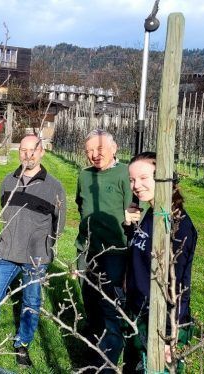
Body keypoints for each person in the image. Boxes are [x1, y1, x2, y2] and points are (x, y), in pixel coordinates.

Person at [0, 135, 67, 367]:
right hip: (6, 251)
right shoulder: (8, 181)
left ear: (42, 152)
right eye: (23, 150)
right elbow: (4, 211)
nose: (28, 155)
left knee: (31, 302)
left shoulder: (54, 187)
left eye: (33, 150)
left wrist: (44, 245)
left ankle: (22, 344)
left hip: (36, 256)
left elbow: (59, 224)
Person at [123, 152, 197, 373]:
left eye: (143, 178)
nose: (136, 185)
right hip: (138, 312)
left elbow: (178, 284)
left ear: (164, 178)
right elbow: (141, 254)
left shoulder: (177, 227)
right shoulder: (152, 214)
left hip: (159, 320)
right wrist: (130, 227)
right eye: (132, 180)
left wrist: (169, 334)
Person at [74, 129, 133, 368]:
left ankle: (105, 362)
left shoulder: (124, 173)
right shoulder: (84, 175)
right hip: (87, 250)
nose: (94, 155)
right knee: (89, 299)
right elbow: (81, 205)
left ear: (114, 148)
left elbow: (133, 213)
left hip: (114, 253)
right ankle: (93, 346)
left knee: (110, 304)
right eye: (89, 151)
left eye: (99, 149)